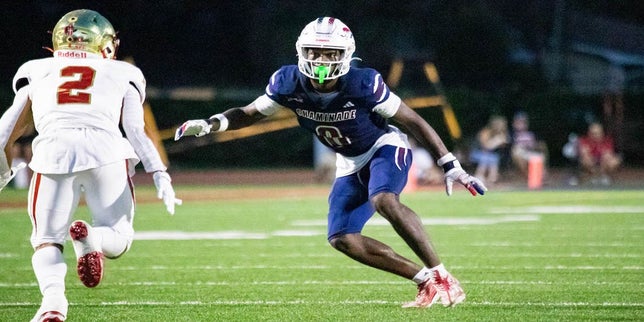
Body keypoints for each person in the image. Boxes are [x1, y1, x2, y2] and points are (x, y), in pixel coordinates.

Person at [175, 17, 486, 308]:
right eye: (314, 51)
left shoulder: (363, 83)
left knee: (383, 200)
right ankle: (426, 282)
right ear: (301, 50)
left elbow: (412, 120)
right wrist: (213, 123)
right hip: (349, 161)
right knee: (342, 238)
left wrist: (450, 164)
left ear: (345, 55)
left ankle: (443, 276)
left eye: (330, 54)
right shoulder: (287, 82)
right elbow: (249, 113)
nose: (321, 61)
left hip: (383, 147)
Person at [0, 9, 182, 322]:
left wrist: (3, 175)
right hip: (107, 154)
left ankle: (53, 305)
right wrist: (159, 173)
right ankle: (93, 240)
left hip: (52, 154)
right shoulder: (123, 73)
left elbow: (7, 128)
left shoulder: (36, 69)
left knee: (46, 240)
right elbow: (136, 131)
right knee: (119, 237)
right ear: (105, 43)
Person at [469, 115, 509, 184]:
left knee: (492, 157)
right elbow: (485, 147)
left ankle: (491, 179)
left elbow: (505, 147)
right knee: (486, 157)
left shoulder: (502, 133)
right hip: (477, 153)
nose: (500, 127)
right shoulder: (485, 132)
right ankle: (479, 176)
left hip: (491, 156)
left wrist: (501, 141)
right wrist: (496, 141)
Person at [509, 112, 548, 178]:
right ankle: (528, 176)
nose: (521, 125)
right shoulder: (511, 134)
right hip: (518, 154)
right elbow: (511, 147)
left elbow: (537, 145)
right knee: (517, 153)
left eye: (523, 123)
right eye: (519, 123)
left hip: (530, 152)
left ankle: (540, 176)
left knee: (541, 155)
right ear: (514, 124)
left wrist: (534, 147)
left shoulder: (531, 134)